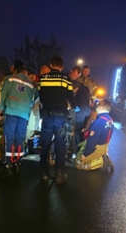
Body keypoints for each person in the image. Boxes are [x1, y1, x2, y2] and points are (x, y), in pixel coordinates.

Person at [38, 56, 77, 184]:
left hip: (47, 115)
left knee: (45, 143)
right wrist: (74, 107)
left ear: (50, 65)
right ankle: (60, 174)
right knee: (60, 143)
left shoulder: (43, 79)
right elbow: (71, 98)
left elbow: (41, 96)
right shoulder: (66, 79)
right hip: (61, 116)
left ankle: (43, 172)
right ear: (62, 67)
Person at [0, 66, 35, 172]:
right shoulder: (31, 85)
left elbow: (3, 94)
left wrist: (1, 110)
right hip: (24, 114)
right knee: (20, 137)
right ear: (26, 73)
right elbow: (33, 100)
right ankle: (18, 160)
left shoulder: (10, 79)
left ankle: (8, 162)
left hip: (11, 111)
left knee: (9, 136)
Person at [76, 99, 114, 170]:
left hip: (96, 147)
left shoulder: (99, 121)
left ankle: (101, 161)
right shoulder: (109, 119)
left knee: (78, 164)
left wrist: (85, 154)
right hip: (104, 146)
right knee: (80, 147)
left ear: (102, 107)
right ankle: (102, 155)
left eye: (99, 104)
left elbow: (92, 141)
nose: (97, 104)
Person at [71, 80, 90, 158]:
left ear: (76, 88)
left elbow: (76, 104)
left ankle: (76, 152)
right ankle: (81, 150)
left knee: (77, 133)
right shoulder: (85, 91)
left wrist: (74, 108)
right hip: (86, 113)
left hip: (80, 114)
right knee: (82, 132)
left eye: (73, 90)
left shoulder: (80, 94)